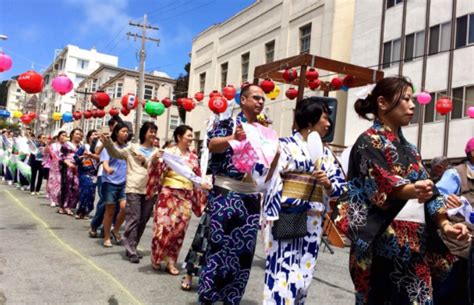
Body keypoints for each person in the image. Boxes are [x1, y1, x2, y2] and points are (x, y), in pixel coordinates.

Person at [344, 76, 469, 305]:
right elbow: (380, 183)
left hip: (414, 242)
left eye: (413, 100)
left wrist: (446, 225)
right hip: (381, 240)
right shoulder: (367, 142)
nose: (413, 105)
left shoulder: (411, 150)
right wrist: (412, 189)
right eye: (407, 99)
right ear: (382, 103)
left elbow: (430, 193)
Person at [254, 97, 346, 304]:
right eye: (324, 117)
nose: (328, 123)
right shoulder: (284, 145)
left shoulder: (326, 152)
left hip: (312, 219)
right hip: (285, 213)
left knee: (304, 275)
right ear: (310, 119)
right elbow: (261, 177)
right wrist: (274, 159)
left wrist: (329, 184)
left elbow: (341, 185)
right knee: (282, 271)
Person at [198, 84, 266, 305]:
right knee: (219, 247)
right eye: (256, 97)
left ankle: (232, 299)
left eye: (263, 99)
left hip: (251, 197)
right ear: (243, 100)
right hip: (226, 195)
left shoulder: (263, 129)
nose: (260, 102)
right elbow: (212, 145)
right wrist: (232, 137)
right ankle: (207, 297)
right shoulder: (227, 123)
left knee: (243, 253)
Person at [146, 125, 208, 275]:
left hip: (186, 196)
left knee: (179, 230)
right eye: (188, 135)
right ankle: (157, 256)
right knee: (163, 227)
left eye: (192, 136)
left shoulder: (193, 157)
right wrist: (155, 160)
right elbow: (157, 171)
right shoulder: (169, 153)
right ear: (179, 137)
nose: (191, 139)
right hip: (168, 194)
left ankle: (171, 261)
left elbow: (196, 178)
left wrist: (202, 190)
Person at [101, 122, 159, 263]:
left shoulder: (158, 152)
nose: (153, 134)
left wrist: (148, 161)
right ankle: (131, 249)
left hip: (150, 189)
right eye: (150, 131)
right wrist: (108, 143)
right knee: (134, 218)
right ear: (143, 133)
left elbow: (159, 169)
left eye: (154, 132)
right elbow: (116, 153)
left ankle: (133, 245)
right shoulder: (132, 148)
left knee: (143, 220)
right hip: (134, 187)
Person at [434, 137, 474, 305]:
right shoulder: (456, 174)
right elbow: (435, 201)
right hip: (456, 249)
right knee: (447, 294)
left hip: (472, 250)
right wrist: (448, 202)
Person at [89, 117, 121, 238]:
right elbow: (96, 154)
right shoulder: (104, 139)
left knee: (116, 204)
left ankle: (106, 228)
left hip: (119, 177)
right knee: (105, 202)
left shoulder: (123, 144)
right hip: (104, 174)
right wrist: (104, 142)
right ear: (112, 127)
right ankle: (94, 225)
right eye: (117, 126)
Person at [100, 123, 128, 248]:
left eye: (127, 131)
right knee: (110, 209)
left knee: (125, 208)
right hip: (110, 182)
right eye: (123, 131)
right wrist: (108, 169)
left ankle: (115, 230)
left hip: (124, 182)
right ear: (116, 132)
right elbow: (104, 162)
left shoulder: (128, 148)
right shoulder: (109, 147)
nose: (126, 133)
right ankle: (106, 236)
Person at [74, 130, 99, 219]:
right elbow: (76, 157)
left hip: (94, 173)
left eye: (96, 135)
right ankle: (80, 211)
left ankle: (86, 211)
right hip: (84, 172)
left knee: (91, 193)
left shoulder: (99, 148)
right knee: (84, 191)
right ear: (89, 137)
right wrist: (83, 157)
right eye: (93, 135)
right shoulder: (84, 147)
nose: (95, 136)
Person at [46, 131, 67, 207]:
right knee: (53, 182)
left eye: (65, 135)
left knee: (61, 183)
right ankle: (52, 199)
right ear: (59, 136)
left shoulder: (67, 145)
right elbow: (48, 153)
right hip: (54, 166)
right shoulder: (53, 145)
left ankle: (58, 199)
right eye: (62, 135)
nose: (64, 137)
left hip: (64, 166)